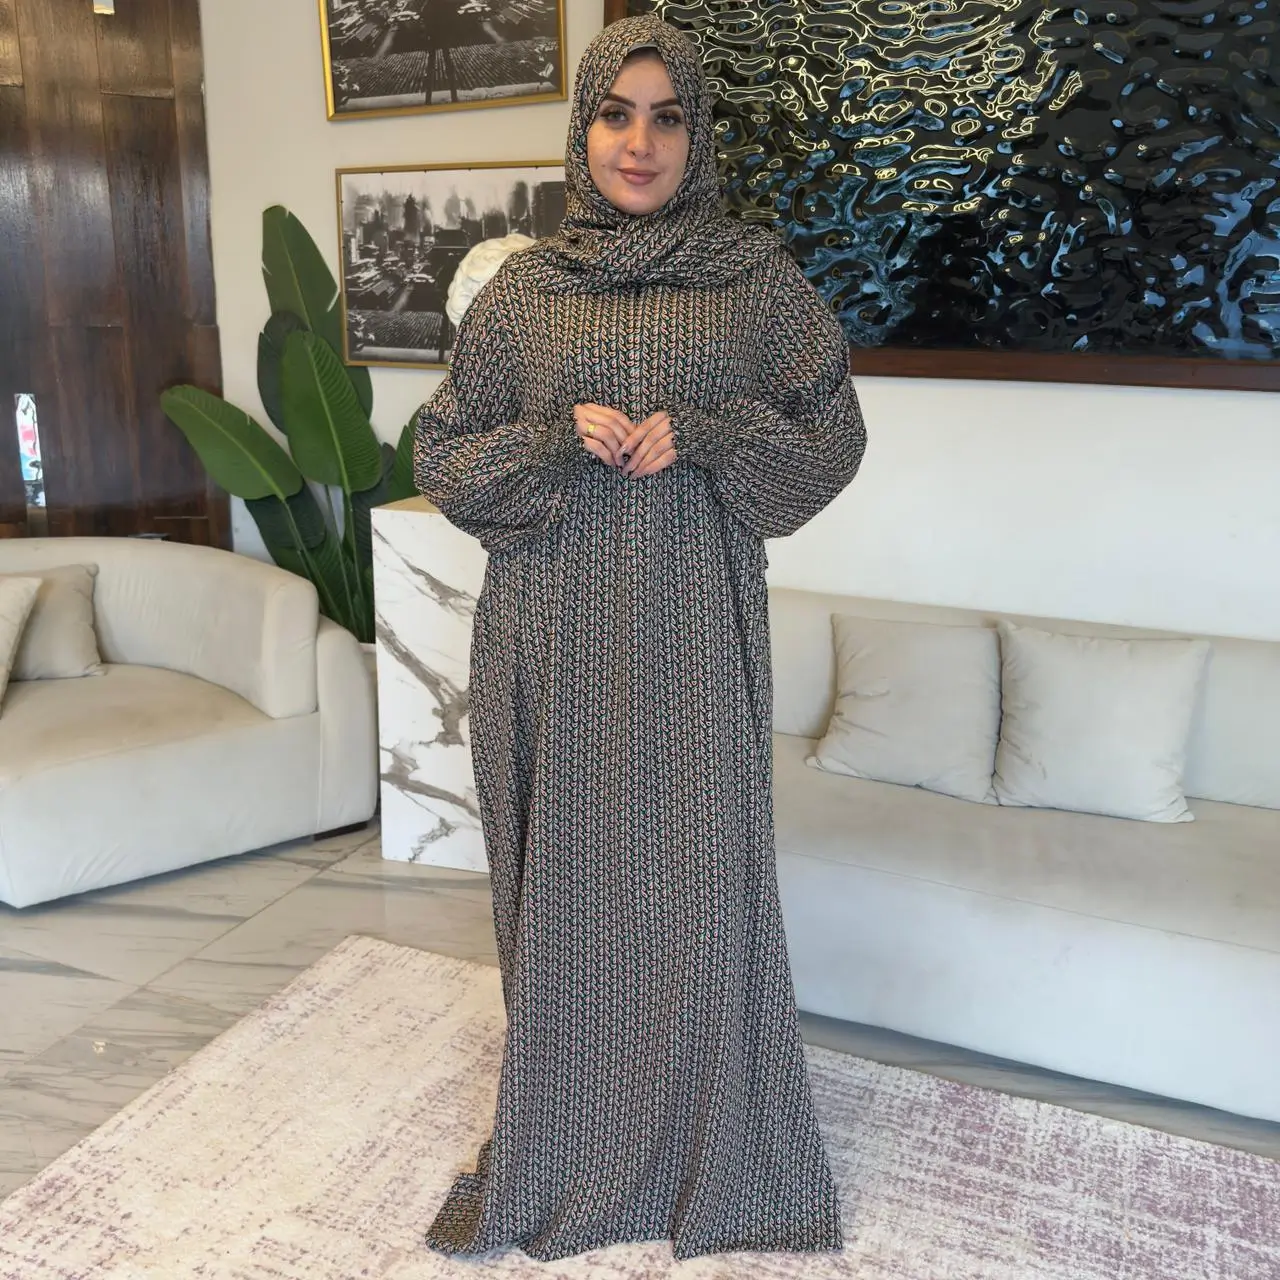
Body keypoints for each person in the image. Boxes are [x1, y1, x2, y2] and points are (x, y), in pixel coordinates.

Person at [412, 13, 867, 1264]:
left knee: (698, 899)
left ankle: (706, 1151)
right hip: (551, 638)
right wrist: (551, 436)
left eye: (667, 117)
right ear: (583, 126)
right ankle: (570, 1144)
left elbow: (829, 437)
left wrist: (711, 432)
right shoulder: (523, 294)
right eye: (616, 113)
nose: (639, 142)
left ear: (697, 134)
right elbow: (443, 452)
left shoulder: (753, 282)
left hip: (690, 639)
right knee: (568, 901)